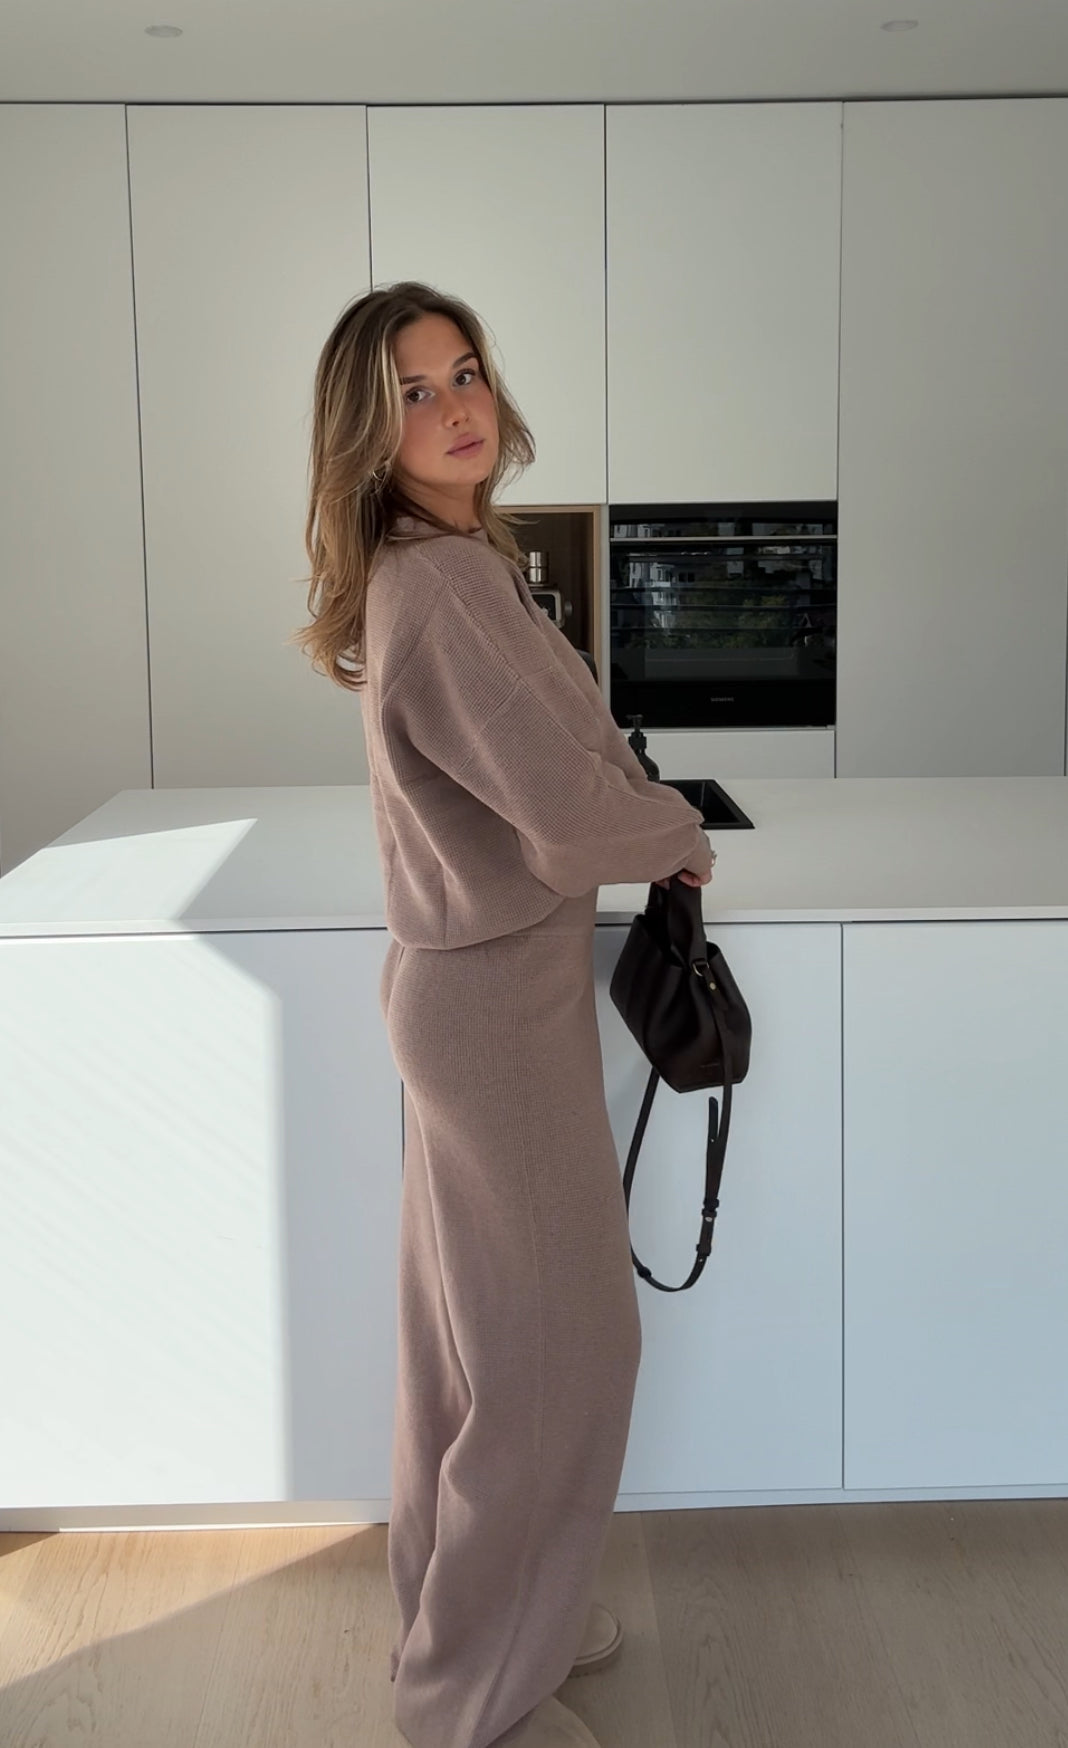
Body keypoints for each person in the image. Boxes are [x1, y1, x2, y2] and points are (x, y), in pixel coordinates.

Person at [295, 282, 715, 1748]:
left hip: (467, 995)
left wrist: (636, 806)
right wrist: (675, 831)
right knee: (560, 1360)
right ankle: (471, 1699)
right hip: (494, 1010)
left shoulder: (447, 561)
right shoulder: (449, 585)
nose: (455, 405)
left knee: (469, 1355)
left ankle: (481, 1620)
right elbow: (563, 811)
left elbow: (552, 764)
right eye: (413, 391)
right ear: (369, 431)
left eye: (464, 371)